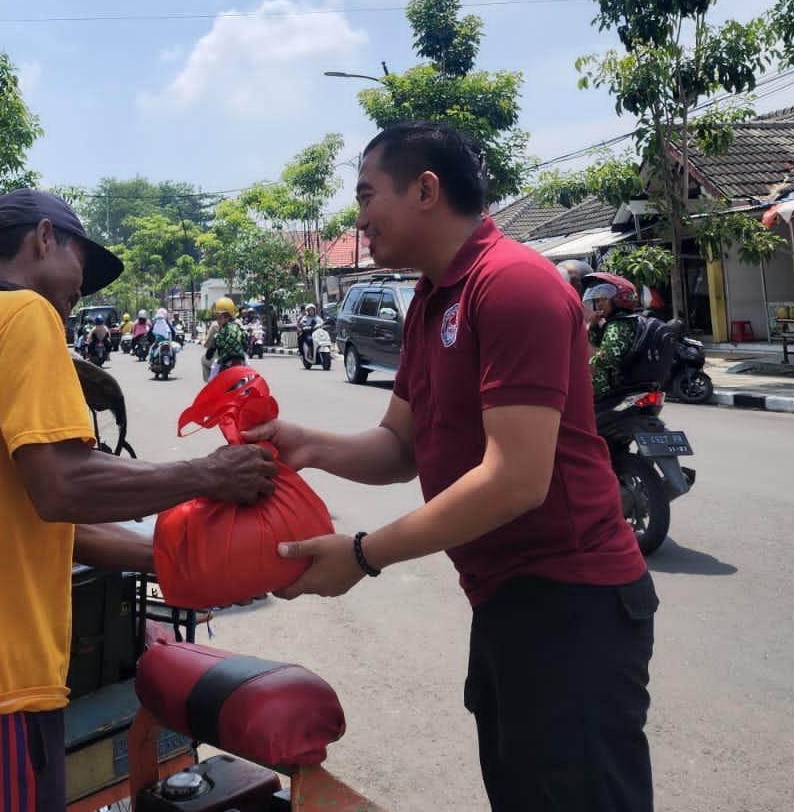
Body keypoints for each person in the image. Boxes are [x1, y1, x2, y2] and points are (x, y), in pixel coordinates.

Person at [244, 122, 655, 812]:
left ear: (426, 189)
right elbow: (401, 449)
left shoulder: (514, 285)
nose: (360, 217)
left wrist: (364, 554)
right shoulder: (432, 301)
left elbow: (516, 479)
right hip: (504, 601)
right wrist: (303, 445)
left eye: (368, 195)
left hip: (572, 605)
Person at [0, 189, 276, 812]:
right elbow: (62, 486)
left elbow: (45, 521)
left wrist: (172, 560)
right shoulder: (25, 316)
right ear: (44, 239)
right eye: (83, 260)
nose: (82, 287)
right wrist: (209, 475)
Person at [584, 273, 642, 402]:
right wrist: (593, 326)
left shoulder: (617, 325)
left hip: (606, 388)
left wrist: (584, 366)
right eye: (596, 301)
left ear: (619, 299)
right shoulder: (627, 321)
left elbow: (607, 356)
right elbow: (596, 344)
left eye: (603, 299)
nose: (598, 305)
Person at [201, 296, 249, 379]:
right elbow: (245, 336)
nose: (218, 320)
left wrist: (207, 345)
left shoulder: (215, 325)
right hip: (239, 355)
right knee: (248, 368)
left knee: (204, 360)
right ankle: (251, 384)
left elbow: (209, 344)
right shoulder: (238, 323)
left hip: (223, 357)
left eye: (219, 317)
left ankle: (210, 385)